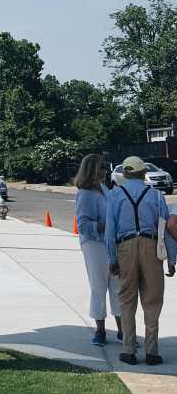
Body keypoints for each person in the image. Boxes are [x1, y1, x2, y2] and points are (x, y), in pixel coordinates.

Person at [104, 155, 169, 365]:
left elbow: (109, 232)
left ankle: (129, 350)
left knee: (127, 299)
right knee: (152, 300)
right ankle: (152, 351)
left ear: (125, 173)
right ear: (143, 173)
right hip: (151, 246)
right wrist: (171, 259)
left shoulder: (115, 195)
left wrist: (112, 258)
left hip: (125, 246)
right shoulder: (157, 196)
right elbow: (165, 229)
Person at [74, 153, 122, 345]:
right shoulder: (85, 194)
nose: (106, 170)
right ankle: (100, 331)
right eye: (102, 166)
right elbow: (84, 225)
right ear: (93, 169)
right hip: (94, 245)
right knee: (99, 287)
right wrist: (107, 225)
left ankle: (122, 331)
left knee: (118, 287)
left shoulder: (104, 189)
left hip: (111, 243)